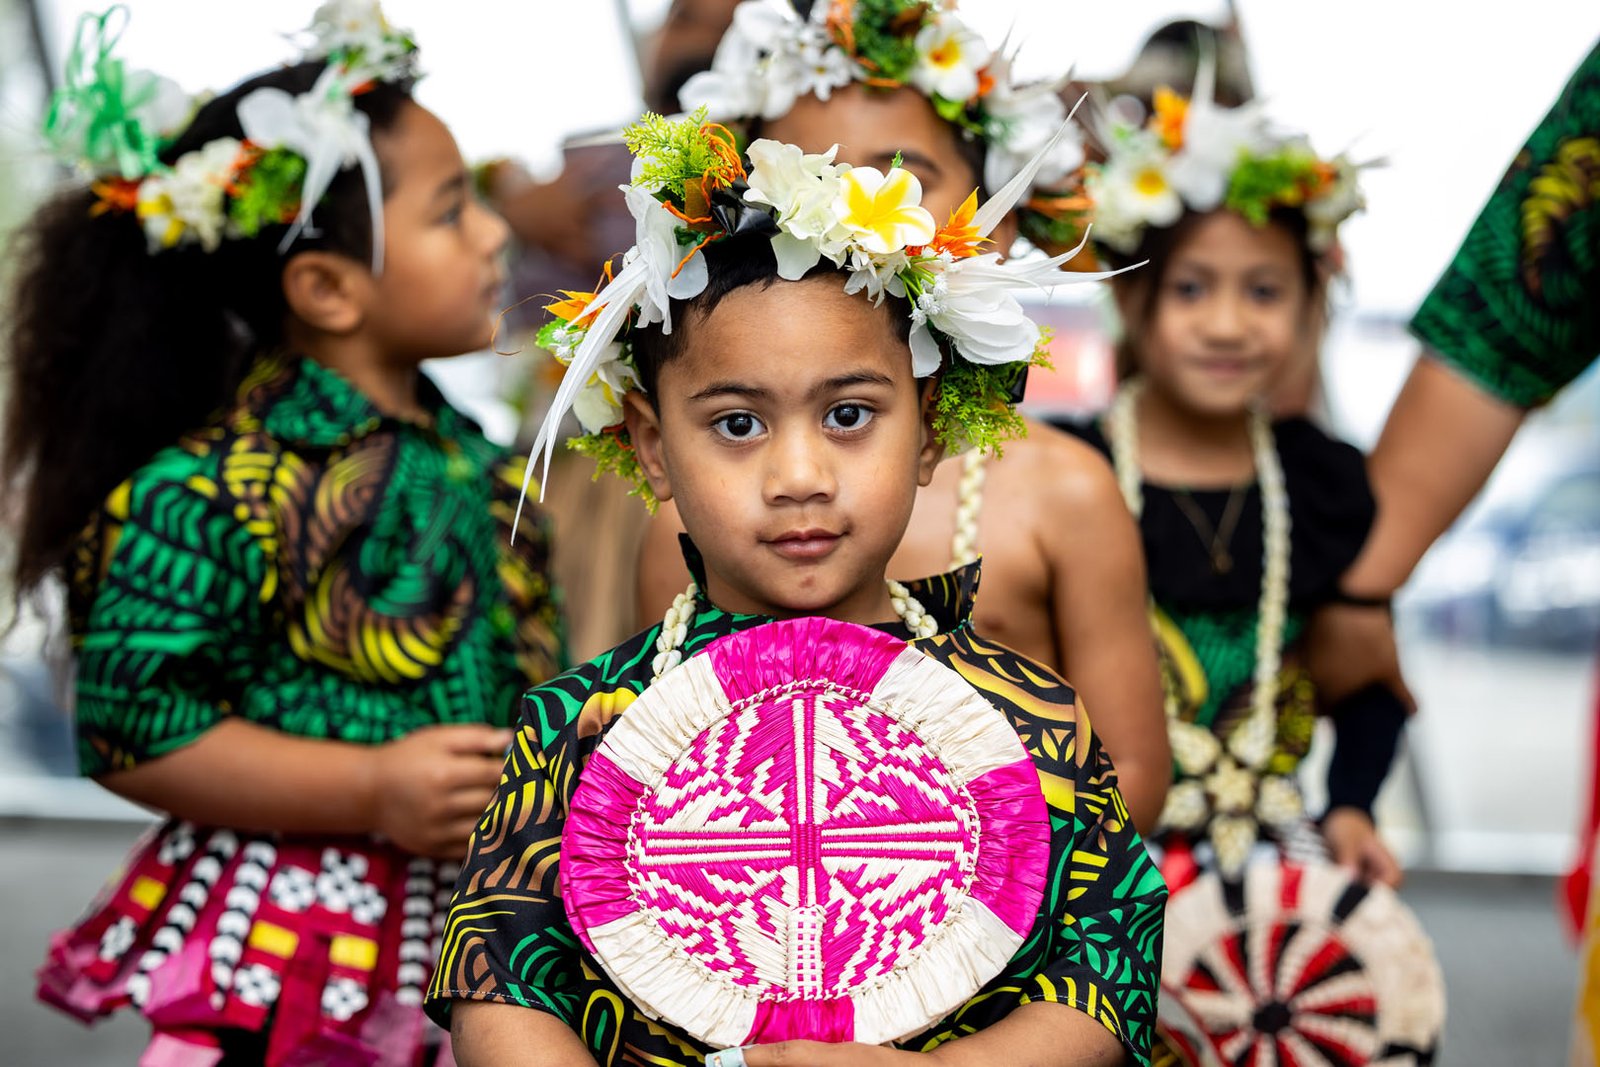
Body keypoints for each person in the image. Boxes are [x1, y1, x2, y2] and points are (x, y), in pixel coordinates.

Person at [428, 113, 1167, 1066]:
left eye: (850, 414)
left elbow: (1104, 982)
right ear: (654, 448)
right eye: (738, 425)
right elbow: (501, 990)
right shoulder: (574, 725)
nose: (800, 474)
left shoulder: (1036, 721)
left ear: (932, 428)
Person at [4, 5, 563, 1062]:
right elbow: (132, 725)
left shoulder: (485, 465)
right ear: (325, 287)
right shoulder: (203, 489)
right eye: (453, 213)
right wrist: (371, 787)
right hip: (294, 963)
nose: (495, 233)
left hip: (484, 943)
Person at [636, 0, 1170, 833]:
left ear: (997, 222)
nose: (848, 212)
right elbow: (646, 757)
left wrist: (959, 881)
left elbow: (1132, 769)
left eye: (899, 179)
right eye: (813, 172)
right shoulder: (703, 511)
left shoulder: (1066, 493)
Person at [1060, 71, 1446, 1062]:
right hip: (1103, 864)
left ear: (1313, 301)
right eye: (1192, 287)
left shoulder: (1326, 484)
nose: (1229, 322)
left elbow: (1366, 683)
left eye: (1264, 290)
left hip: (1281, 861)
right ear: (1132, 298)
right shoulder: (1070, 471)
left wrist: (1352, 803)